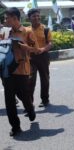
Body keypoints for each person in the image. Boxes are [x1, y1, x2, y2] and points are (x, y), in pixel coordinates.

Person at [2, 7, 40, 136]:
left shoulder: (27, 31)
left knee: (24, 96)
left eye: (7, 18)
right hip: (7, 71)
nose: (5, 20)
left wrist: (25, 47)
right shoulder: (4, 32)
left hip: (22, 70)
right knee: (9, 100)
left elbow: (36, 50)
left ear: (15, 19)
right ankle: (15, 127)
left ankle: (30, 109)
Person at [28, 9, 53, 107]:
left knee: (45, 79)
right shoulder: (26, 30)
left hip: (43, 56)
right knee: (30, 80)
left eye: (38, 16)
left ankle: (45, 99)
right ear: (29, 17)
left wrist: (43, 49)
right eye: (34, 16)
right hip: (31, 58)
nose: (37, 18)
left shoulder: (45, 29)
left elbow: (50, 43)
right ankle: (29, 103)